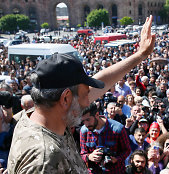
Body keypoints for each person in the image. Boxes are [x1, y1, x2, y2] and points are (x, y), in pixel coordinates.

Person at [7, 15, 156, 173]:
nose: (88, 102)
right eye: (86, 96)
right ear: (66, 98)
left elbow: (96, 85)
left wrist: (140, 55)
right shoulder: (44, 161)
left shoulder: (36, 115)